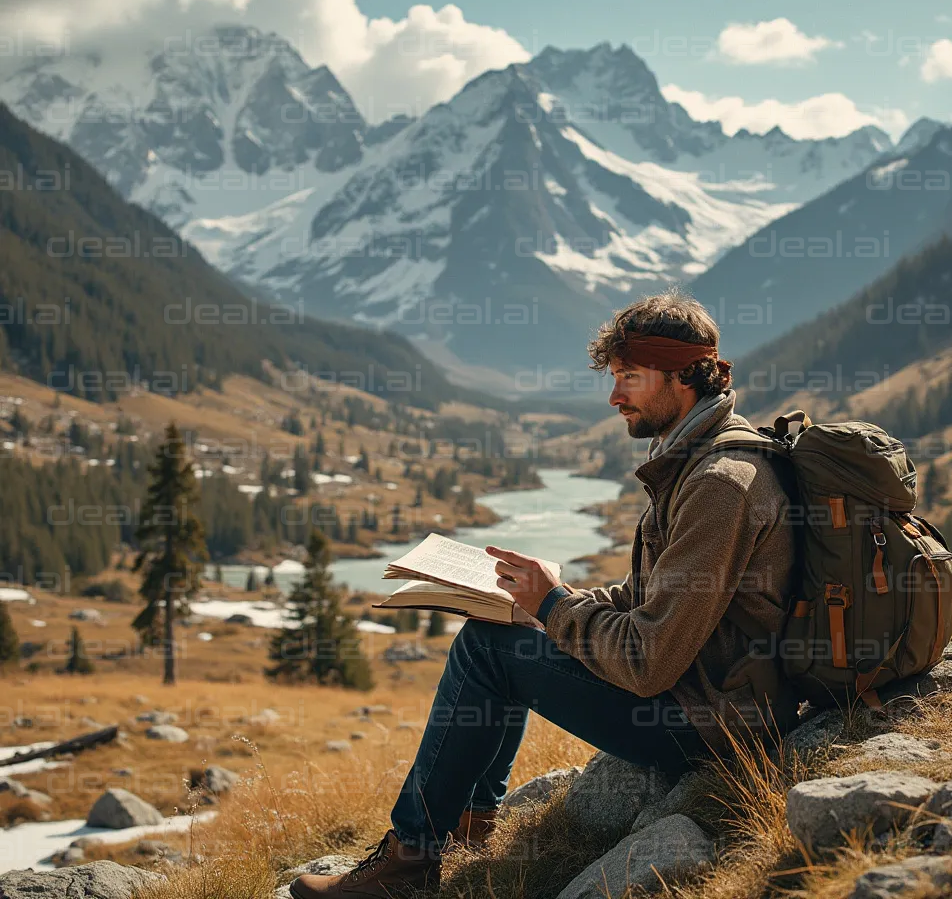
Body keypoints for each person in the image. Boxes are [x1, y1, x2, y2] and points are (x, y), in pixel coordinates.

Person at [290, 290, 799, 899]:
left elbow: (647, 659)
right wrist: (547, 599)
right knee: (506, 634)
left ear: (684, 376)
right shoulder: (696, 460)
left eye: (630, 378)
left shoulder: (719, 484)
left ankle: (412, 863)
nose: (615, 397)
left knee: (487, 649)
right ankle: (463, 834)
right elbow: (652, 602)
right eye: (615, 378)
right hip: (704, 693)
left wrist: (556, 607)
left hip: (707, 721)